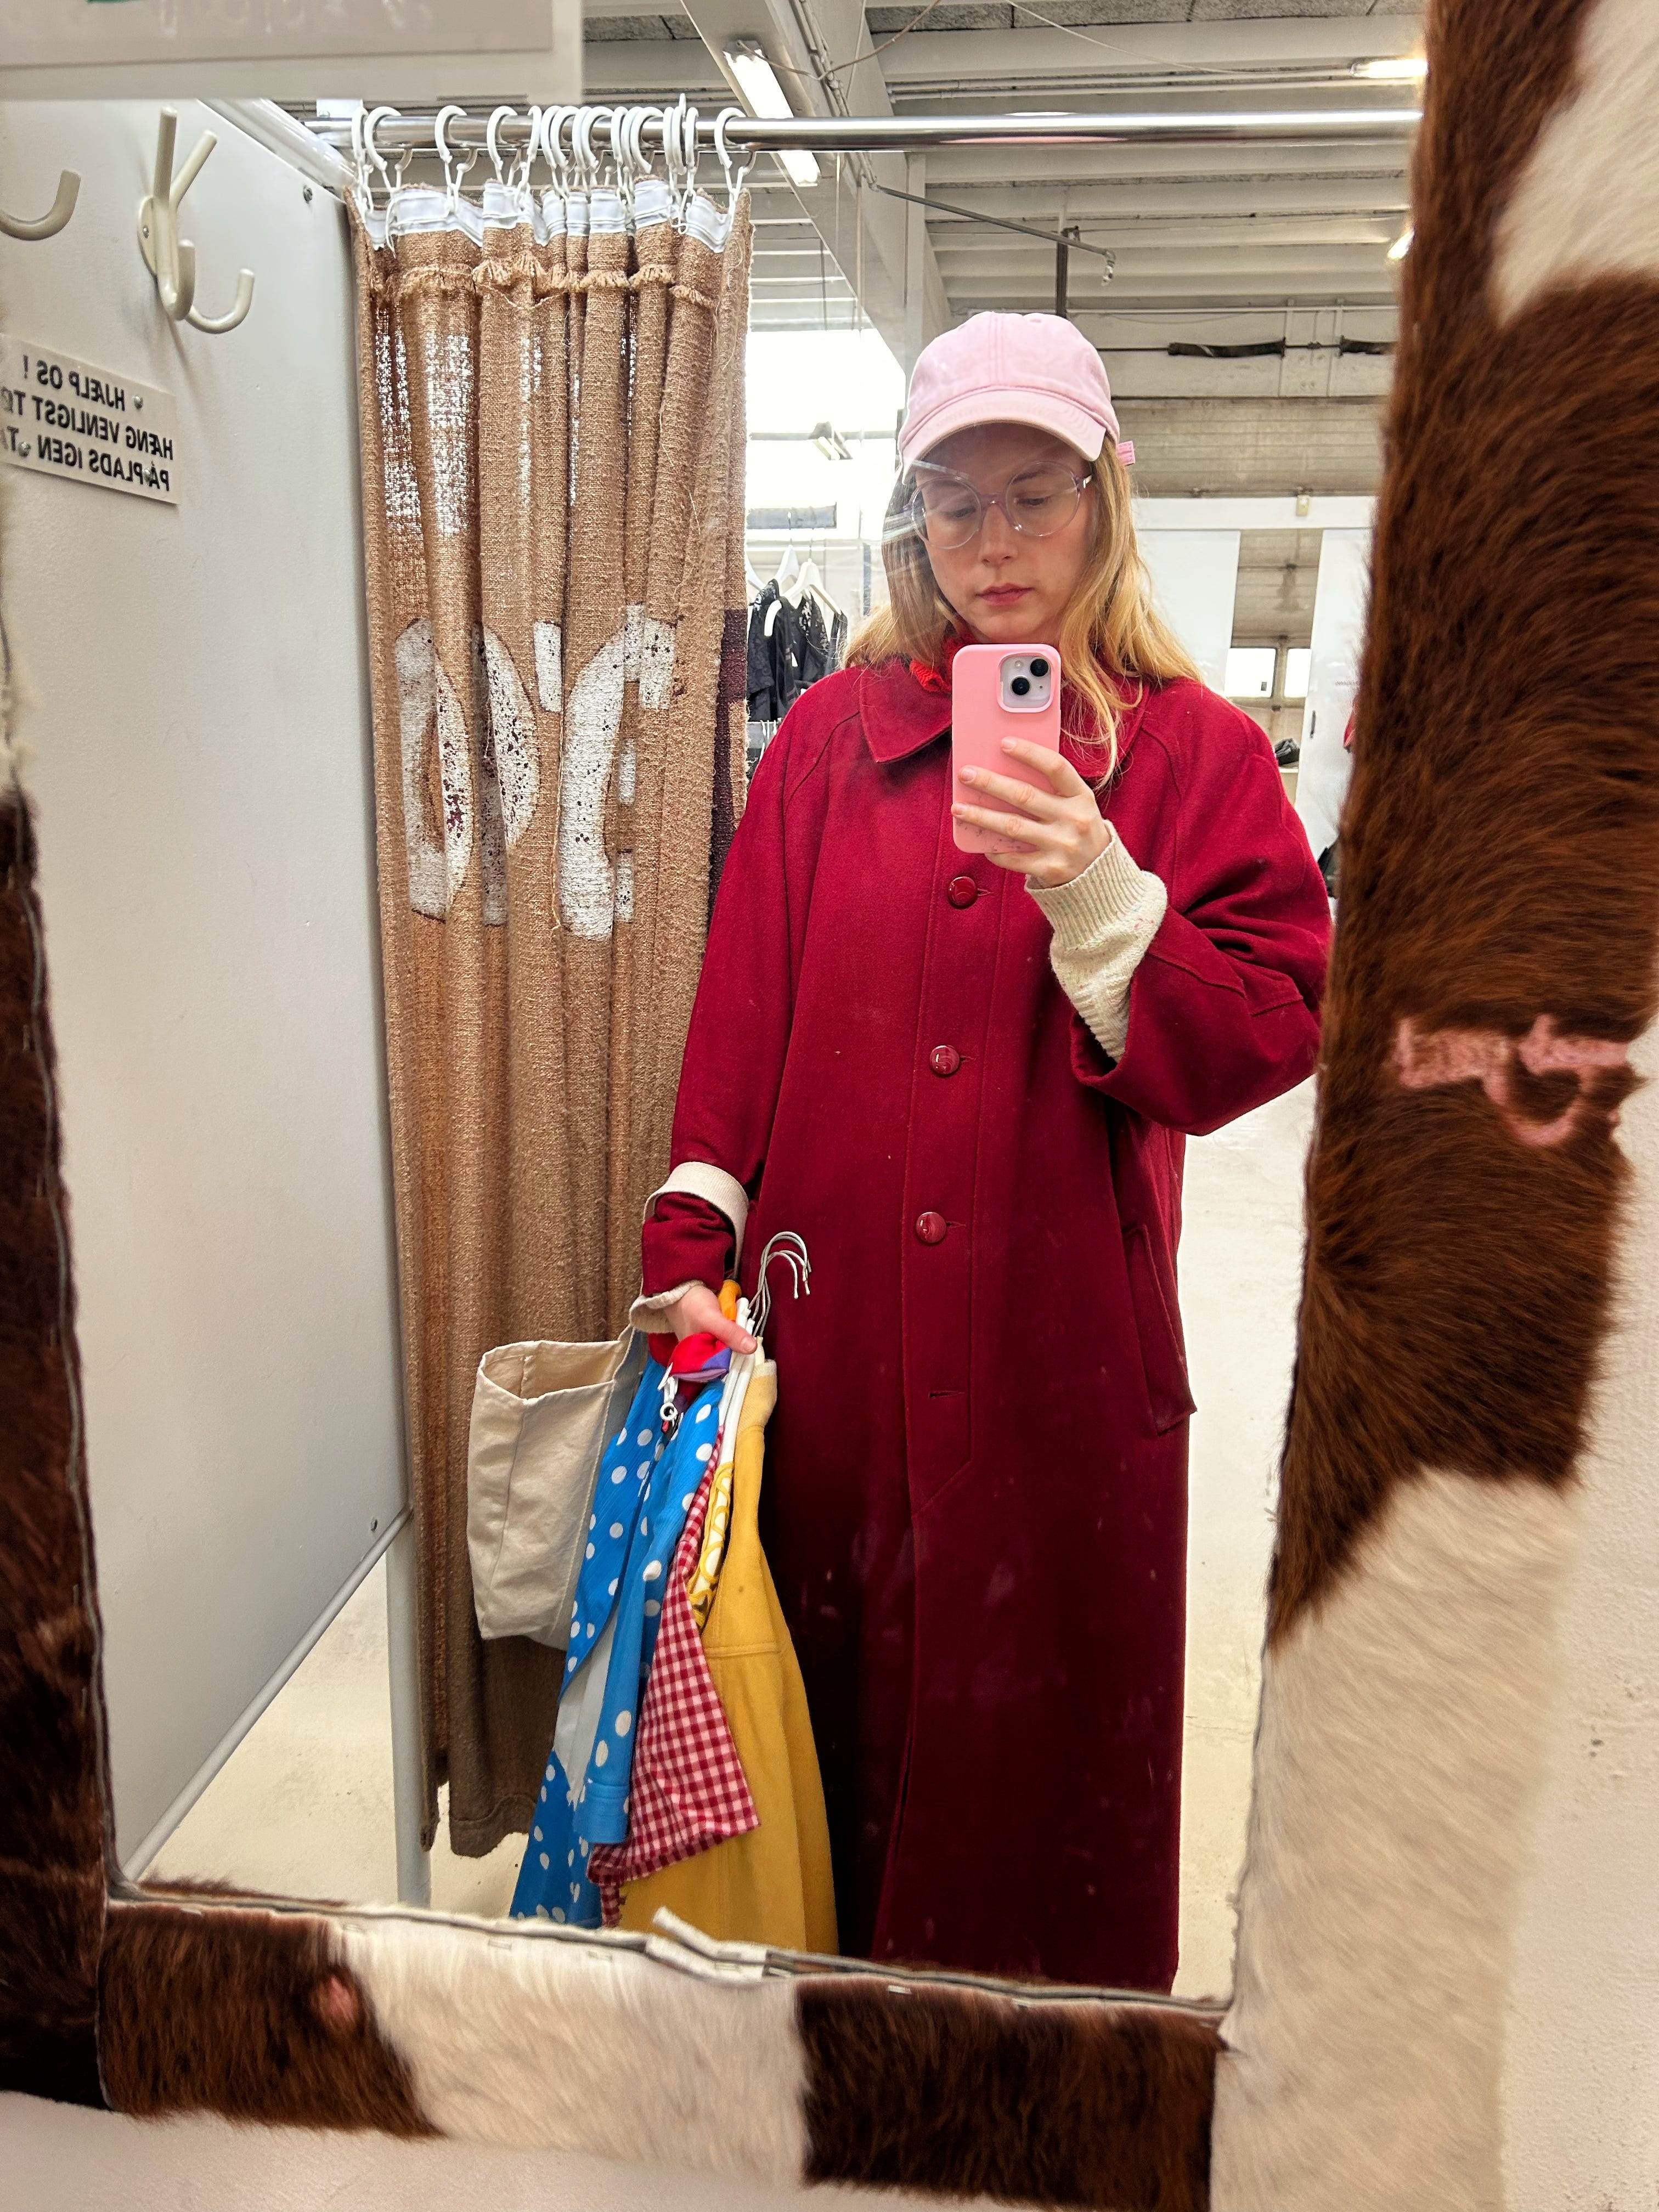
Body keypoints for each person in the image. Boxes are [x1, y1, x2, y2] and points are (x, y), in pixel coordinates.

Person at [632, 312, 1330, 1990]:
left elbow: (1266, 1030)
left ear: (1103, 503)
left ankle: (1045, 2093)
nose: (996, 541)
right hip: (834, 1344)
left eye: (1035, 495)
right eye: (957, 501)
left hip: (1061, 1352)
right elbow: (742, 1018)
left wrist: (1097, 890)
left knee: (1042, 1777)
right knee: (828, 1725)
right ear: (912, 520)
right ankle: (830, 2076)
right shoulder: (827, 745)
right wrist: (690, 1258)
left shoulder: (1193, 753)